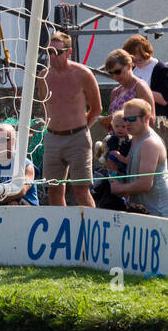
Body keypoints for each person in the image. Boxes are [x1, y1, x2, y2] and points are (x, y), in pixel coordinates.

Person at [37, 32, 100, 207]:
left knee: (81, 189)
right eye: (49, 51)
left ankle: (88, 230)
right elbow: (45, 107)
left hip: (77, 138)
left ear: (69, 52)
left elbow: (97, 108)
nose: (51, 56)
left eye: (56, 52)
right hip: (52, 138)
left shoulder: (83, 74)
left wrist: (81, 129)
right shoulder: (44, 75)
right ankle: (61, 230)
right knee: (54, 190)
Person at [108, 98, 168, 218]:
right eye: (125, 119)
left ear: (146, 118)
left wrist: (119, 188)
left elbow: (145, 183)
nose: (127, 123)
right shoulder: (134, 138)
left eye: (131, 119)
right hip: (141, 210)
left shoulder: (149, 143)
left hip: (157, 212)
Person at [99, 49, 154, 133]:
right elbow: (114, 128)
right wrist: (107, 124)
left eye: (118, 72)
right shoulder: (115, 92)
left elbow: (150, 120)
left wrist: (122, 119)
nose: (115, 77)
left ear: (129, 66)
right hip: (117, 142)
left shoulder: (140, 87)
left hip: (134, 141)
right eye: (111, 73)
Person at [122, 34, 168, 115]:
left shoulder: (161, 70)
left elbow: (164, 100)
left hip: (155, 116)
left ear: (147, 54)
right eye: (133, 61)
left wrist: (141, 90)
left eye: (139, 60)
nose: (136, 63)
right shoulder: (132, 67)